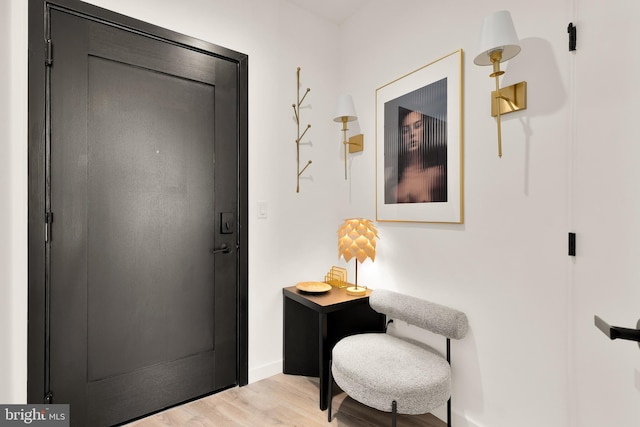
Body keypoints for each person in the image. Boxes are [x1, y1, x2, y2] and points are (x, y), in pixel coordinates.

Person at [392, 108, 447, 203]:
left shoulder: (437, 172)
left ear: (426, 129)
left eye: (417, 126)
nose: (412, 134)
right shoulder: (396, 173)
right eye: (406, 131)